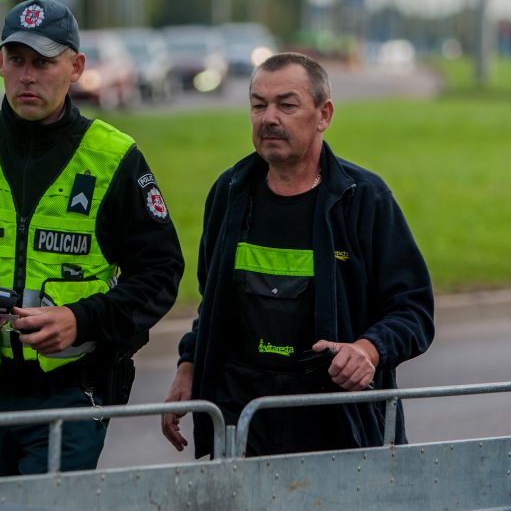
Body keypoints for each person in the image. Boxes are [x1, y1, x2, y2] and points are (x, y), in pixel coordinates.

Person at [0, 0, 184, 479]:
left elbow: (160, 271)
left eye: (45, 62)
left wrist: (81, 320)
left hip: (70, 391)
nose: (29, 76)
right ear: (0, 63)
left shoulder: (114, 157)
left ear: (76, 67)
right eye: (18, 61)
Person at [161, 52, 434, 458]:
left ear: (324, 115)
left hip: (336, 427)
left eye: (286, 105)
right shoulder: (229, 192)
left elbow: (413, 310)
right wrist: (190, 364)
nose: (269, 117)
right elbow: (213, 300)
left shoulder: (364, 199)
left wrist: (368, 350)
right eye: (258, 105)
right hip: (244, 423)